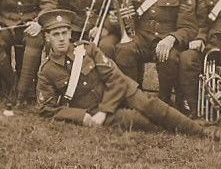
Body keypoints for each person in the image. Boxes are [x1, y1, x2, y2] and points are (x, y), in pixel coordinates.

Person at [35, 9, 207, 136]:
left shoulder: (88, 50)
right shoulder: (47, 71)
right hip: (93, 110)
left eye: (64, 33)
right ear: (47, 37)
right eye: (55, 34)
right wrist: (81, 116)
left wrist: (104, 110)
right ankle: (181, 130)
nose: (61, 38)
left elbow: (115, 79)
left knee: (152, 106)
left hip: (120, 93)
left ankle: (203, 133)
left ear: (70, 33)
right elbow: (46, 109)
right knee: (137, 121)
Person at [112, 0, 197, 111]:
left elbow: (188, 27)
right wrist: (119, 18)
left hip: (166, 40)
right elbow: (128, 20)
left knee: (169, 56)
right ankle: (134, 100)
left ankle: (165, 103)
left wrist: (171, 38)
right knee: (124, 50)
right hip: (141, 39)